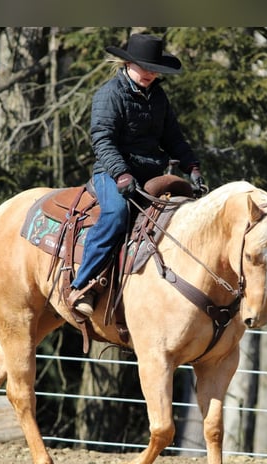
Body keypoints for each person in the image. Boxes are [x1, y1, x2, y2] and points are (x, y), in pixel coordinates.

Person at [68, 33, 206, 318]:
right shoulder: (109, 94)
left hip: (151, 175)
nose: (150, 73)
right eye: (144, 67)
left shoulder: (159, 97)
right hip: (111, 173)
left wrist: (192, 167)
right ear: (128, 63)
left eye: (154, 69)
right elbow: (102, 140)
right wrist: (121, 174)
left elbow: (174, 139)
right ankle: (83, 285)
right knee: (117, 214)